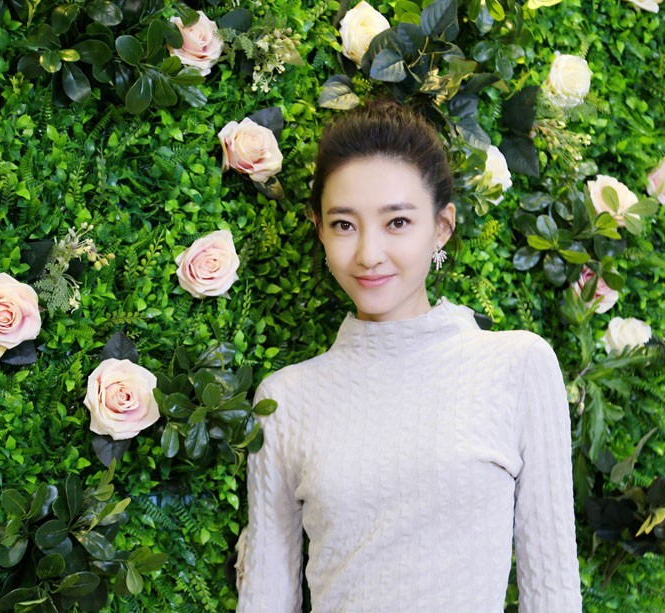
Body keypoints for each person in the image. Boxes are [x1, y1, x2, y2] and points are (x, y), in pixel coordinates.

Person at [237, 100, 581, 612]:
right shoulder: (286, 401)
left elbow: (553, 595)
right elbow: (265, 598)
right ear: (319, 229)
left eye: (397, 222)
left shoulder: (517, 367)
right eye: (344, 225)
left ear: (442, 227)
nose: (369, 254)